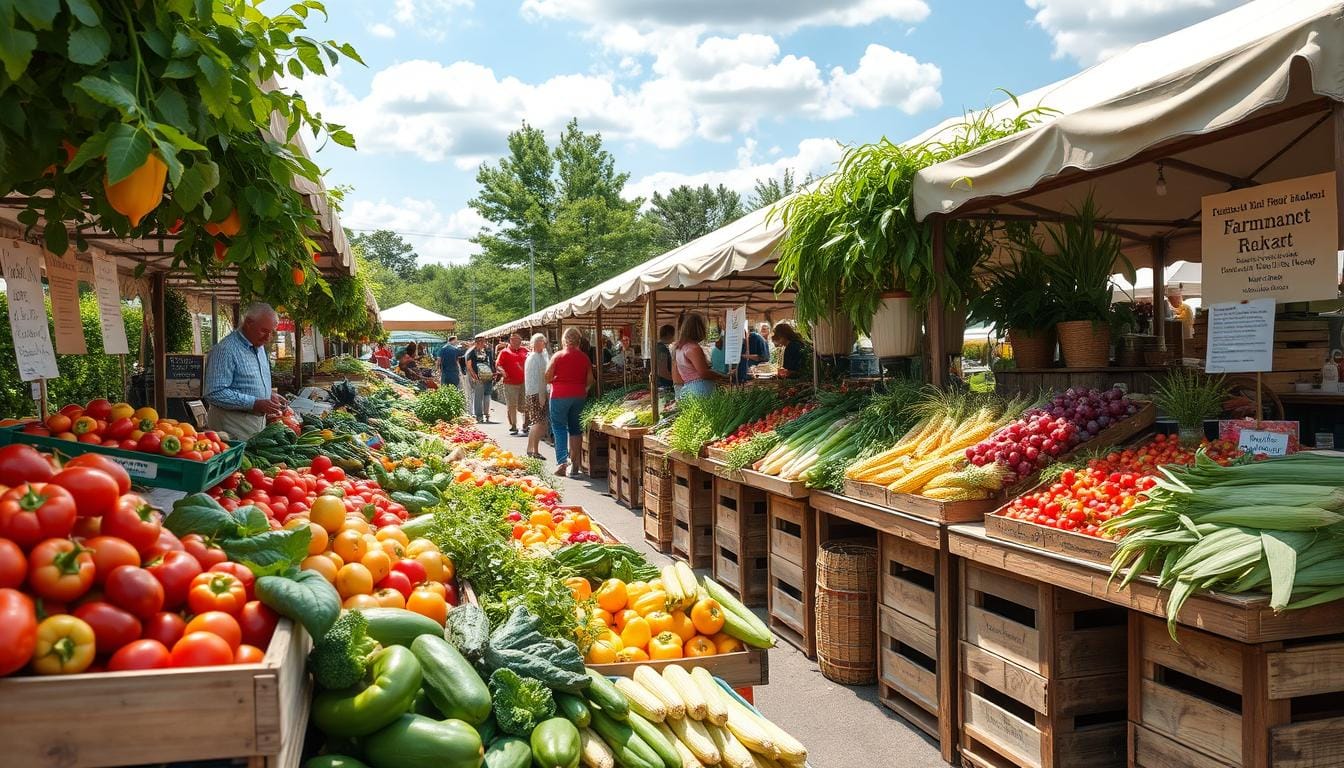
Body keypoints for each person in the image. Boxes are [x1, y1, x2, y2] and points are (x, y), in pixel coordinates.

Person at [204, 302, 286, 440]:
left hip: (254, 424)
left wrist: (268, 394)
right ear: (248, 323)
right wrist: (254, 403)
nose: (268, 337)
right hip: (231, 425)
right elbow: (214, 392)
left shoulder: (259, 347)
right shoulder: (226, 350)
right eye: (264, 331)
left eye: (271, 332)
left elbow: (248, 383)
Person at [545, 327, 595, 477]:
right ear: (579, 341)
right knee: (576, 430)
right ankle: (575, 465)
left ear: (564, 340)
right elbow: (590, 380)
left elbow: (547, 376)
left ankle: (562, 462)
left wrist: (556, 380)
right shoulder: (584, 357)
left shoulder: (557, 356)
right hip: (578, 395)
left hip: (559, 395)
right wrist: (582, 389)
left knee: (559, 428)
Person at [672, 312, 727, 399]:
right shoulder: (693, 348)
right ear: (699, 328)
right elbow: (704, 373)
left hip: (690, 388)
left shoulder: (680, 347)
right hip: (700, 389)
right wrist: (722, 376)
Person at [524, 333, 551, 459]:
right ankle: (535, 450)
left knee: (538, 422)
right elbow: (539, 379)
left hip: (535, 392)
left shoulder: (538, 356)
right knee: (539, 423)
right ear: (535, 343)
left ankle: (531, 449)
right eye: (541, 341)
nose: (544, 343)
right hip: (536, 393)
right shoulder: (534, 358)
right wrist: (542, 396)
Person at [497, 333, 528, 434]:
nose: (519, 343)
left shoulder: (525, 350)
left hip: (524, 382)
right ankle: (513, 425)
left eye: (520, 341)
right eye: (516, 341)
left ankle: (525, 425)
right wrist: (502, 372)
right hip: (510, 383)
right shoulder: (504, 352)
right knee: (512, 405)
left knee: (524, 404)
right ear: (511, 340)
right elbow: (498, 364)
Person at [465, 336, 496, 423]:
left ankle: (486, 413)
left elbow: (491, 362)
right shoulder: (471, 352)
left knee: (487, 395)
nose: (483, 344)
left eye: (483, 342)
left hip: (488, 376)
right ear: (477, 342)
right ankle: (479, 415)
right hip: (478, 377)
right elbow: (469, 365)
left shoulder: (487, 351)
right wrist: (473, 375)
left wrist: (492, 373)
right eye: (481, 342)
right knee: (478, 396)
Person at [654, 324, 675, 388]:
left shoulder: (660, 347)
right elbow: (662, 371)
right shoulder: (661, 348)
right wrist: (675, 380)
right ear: (669, 335)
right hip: (664, 384)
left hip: (663, 383)